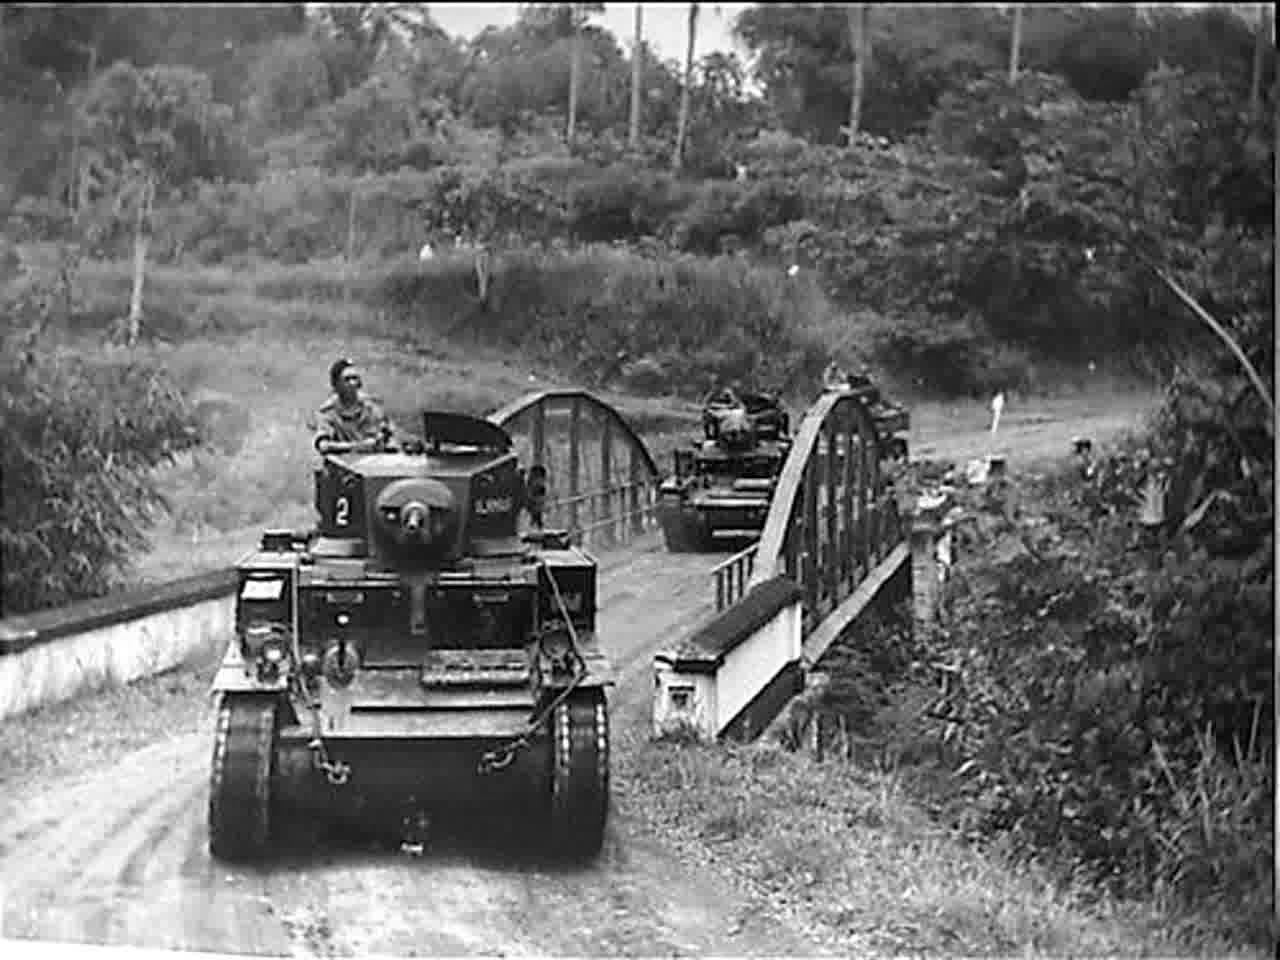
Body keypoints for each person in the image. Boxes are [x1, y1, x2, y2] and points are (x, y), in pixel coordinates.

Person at [313, 358, 395, 454]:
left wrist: (385, 441)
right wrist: (359, 446)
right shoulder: (328, 412)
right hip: (344, 459)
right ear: (336, 384)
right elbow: (323, 446)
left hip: (376, 459)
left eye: (355, 378)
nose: (352, 383)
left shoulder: (372, 406)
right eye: (347, 379)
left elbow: (390, 437)